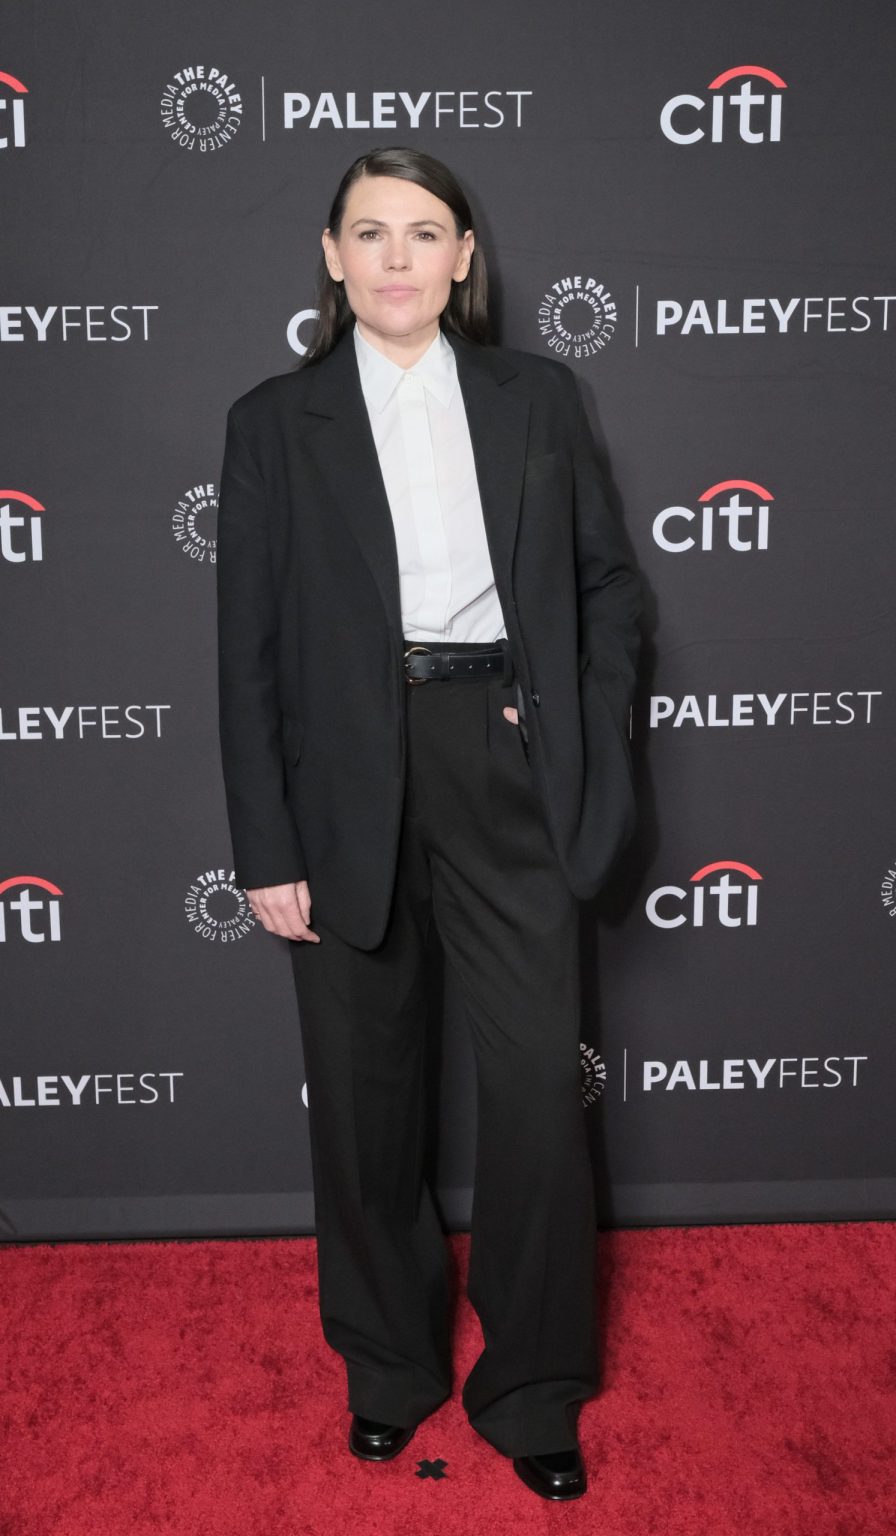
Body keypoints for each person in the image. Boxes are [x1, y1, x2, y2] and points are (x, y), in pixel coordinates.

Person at [216, 145, 642, 1502]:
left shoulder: (540, 397)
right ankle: (390, 1368)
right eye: (369, 232)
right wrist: (267, 845)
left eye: (422, 232)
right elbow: (247, 651)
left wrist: (571, 733)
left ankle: (535, 1386)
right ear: (331, 259)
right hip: (345, 776)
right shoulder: (273, 422)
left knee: (537, 1098)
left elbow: (608, 590)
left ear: (464, 259)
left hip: (503, 760)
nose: (395, 257)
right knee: (363, 1101)